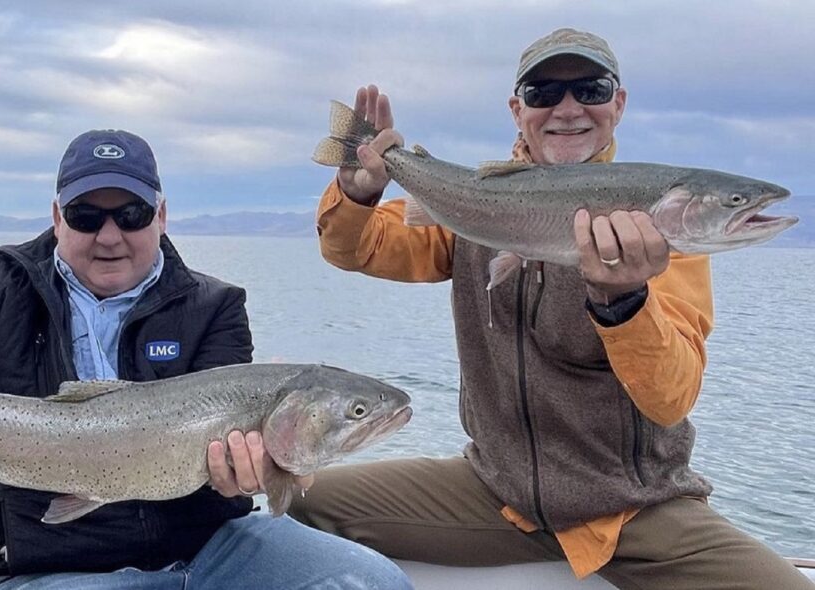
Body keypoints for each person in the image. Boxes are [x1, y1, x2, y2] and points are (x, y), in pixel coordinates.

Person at [288, 28, 813, 589]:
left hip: (633, 510)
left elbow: (670, 399)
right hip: (494, 493)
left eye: (589, 89)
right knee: (299, 503)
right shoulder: (474, 203)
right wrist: (360, 189)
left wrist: (624, 299)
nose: (568, 109)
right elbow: (357, 249)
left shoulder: (669, 246)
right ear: (518, 110)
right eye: (543, 94)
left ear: (619, 103)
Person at [0, 129, 412, 590]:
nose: (109, 235)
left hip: (204, 554)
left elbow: (246, 483)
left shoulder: (217, 306)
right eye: (87, 215)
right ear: (58, 216)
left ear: (162, 215)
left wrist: (260, 473)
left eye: (132, 214)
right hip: (40, 569)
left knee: (372, 583)